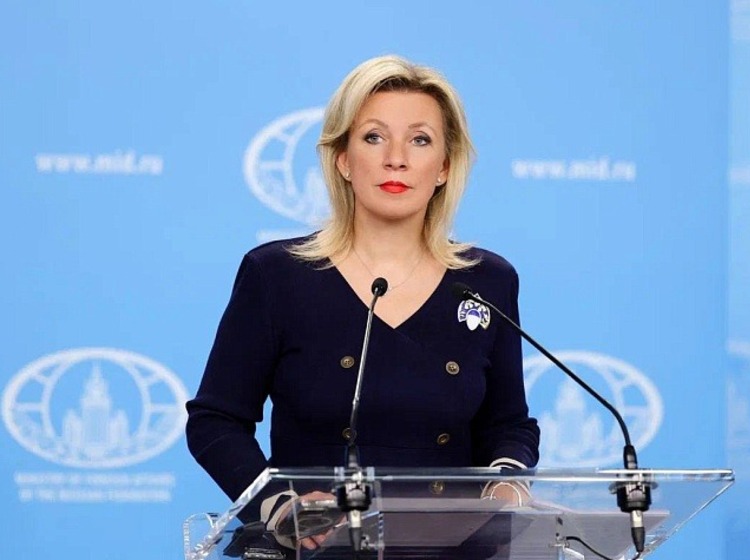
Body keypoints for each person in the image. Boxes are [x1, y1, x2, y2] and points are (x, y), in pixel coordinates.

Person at [186, 54, 540, 550]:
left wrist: (507, 485)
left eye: (420, 140)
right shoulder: (277, 275)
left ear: (444, 166)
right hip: (317, 547)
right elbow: (215, 421)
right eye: (374, 137)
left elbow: (509, 425)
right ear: (343, 159)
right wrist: (278, 506)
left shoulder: (488, 281)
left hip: (450, 547)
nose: (397, 158)